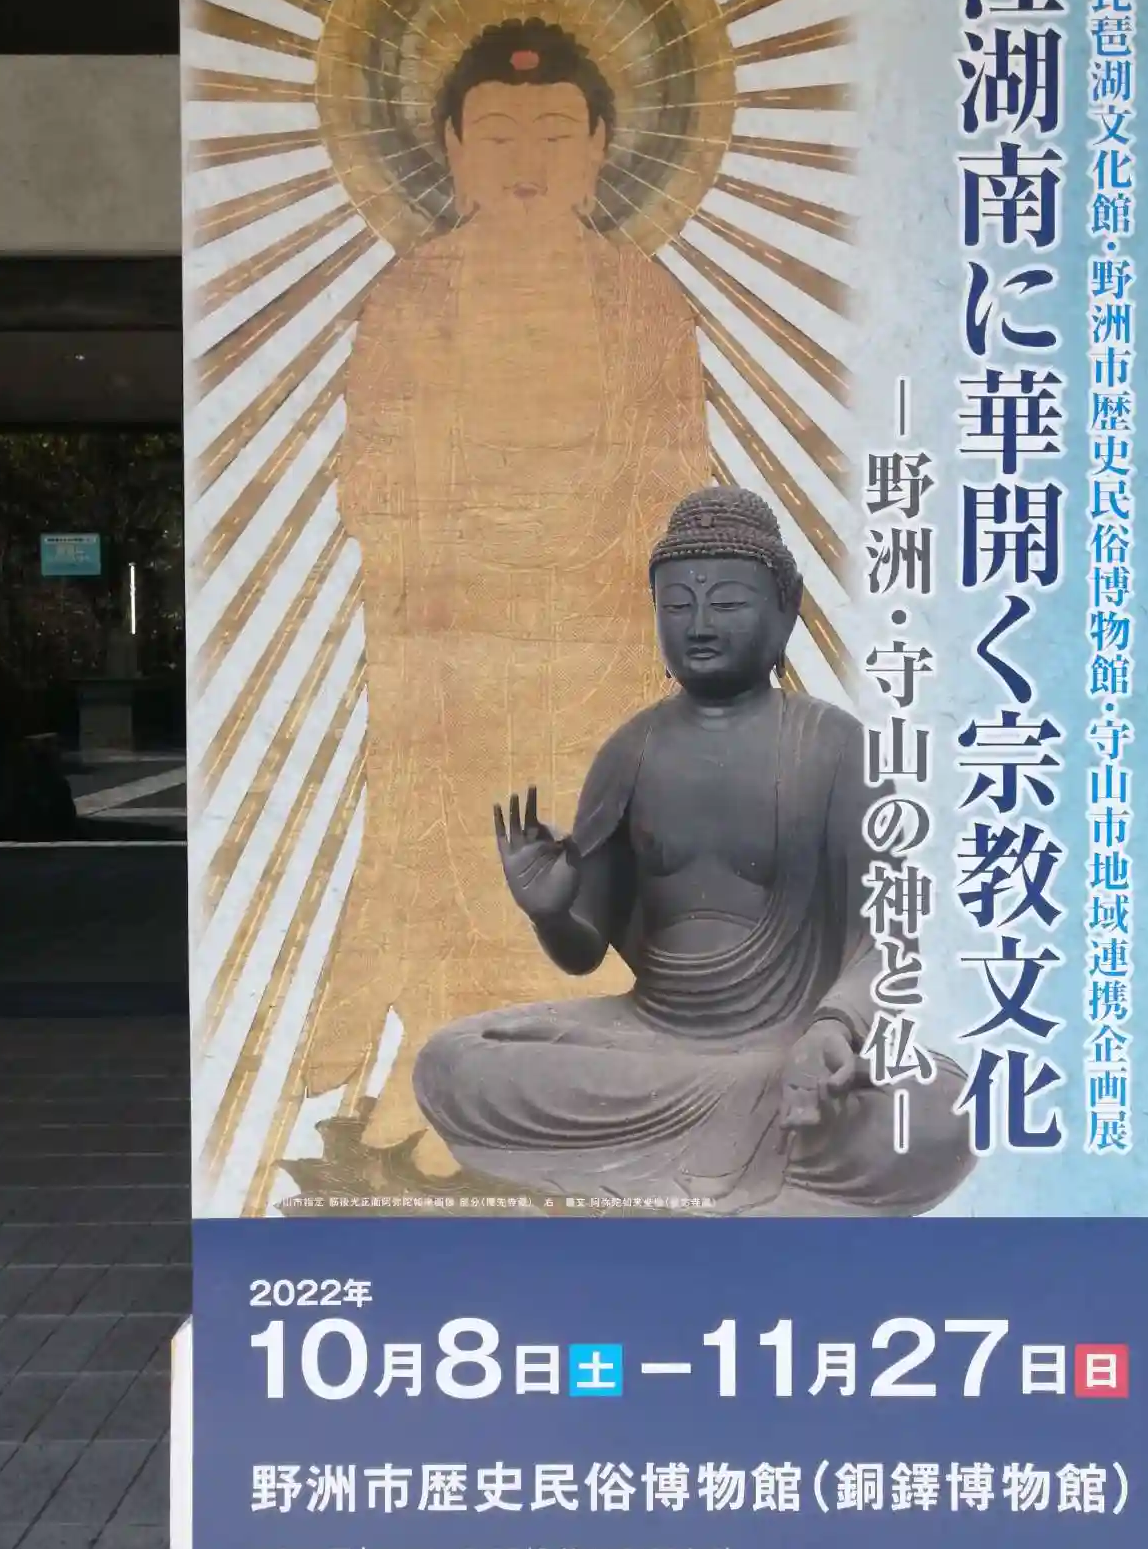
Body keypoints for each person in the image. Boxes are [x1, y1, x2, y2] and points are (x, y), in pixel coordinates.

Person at [307, 19, 710, 1172]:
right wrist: (449, 557)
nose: (525, 159)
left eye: (553, 130)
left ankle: (582, 1084)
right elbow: (371, 477)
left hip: (597, 643)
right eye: (494, 133)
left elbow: (677, 478)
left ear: (600, 146)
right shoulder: (409, 299)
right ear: (449, 148)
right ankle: (452, 1079)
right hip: (456, 648)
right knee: (454, 855)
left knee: (592, 855)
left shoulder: (642, 302)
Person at [413, 486, 975, 1215]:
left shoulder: (836, 748)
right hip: (655, 1035)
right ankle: (757, 1140)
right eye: (677, 606)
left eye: (728, 604)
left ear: (787, 609)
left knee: (944, 1109)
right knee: (452, 1062)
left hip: (795, 1039)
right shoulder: (632, 750)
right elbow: (583, 953)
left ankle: (716, 1144)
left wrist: (834, 1030)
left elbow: (889, 940)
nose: (700, 625)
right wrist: (551, 913)